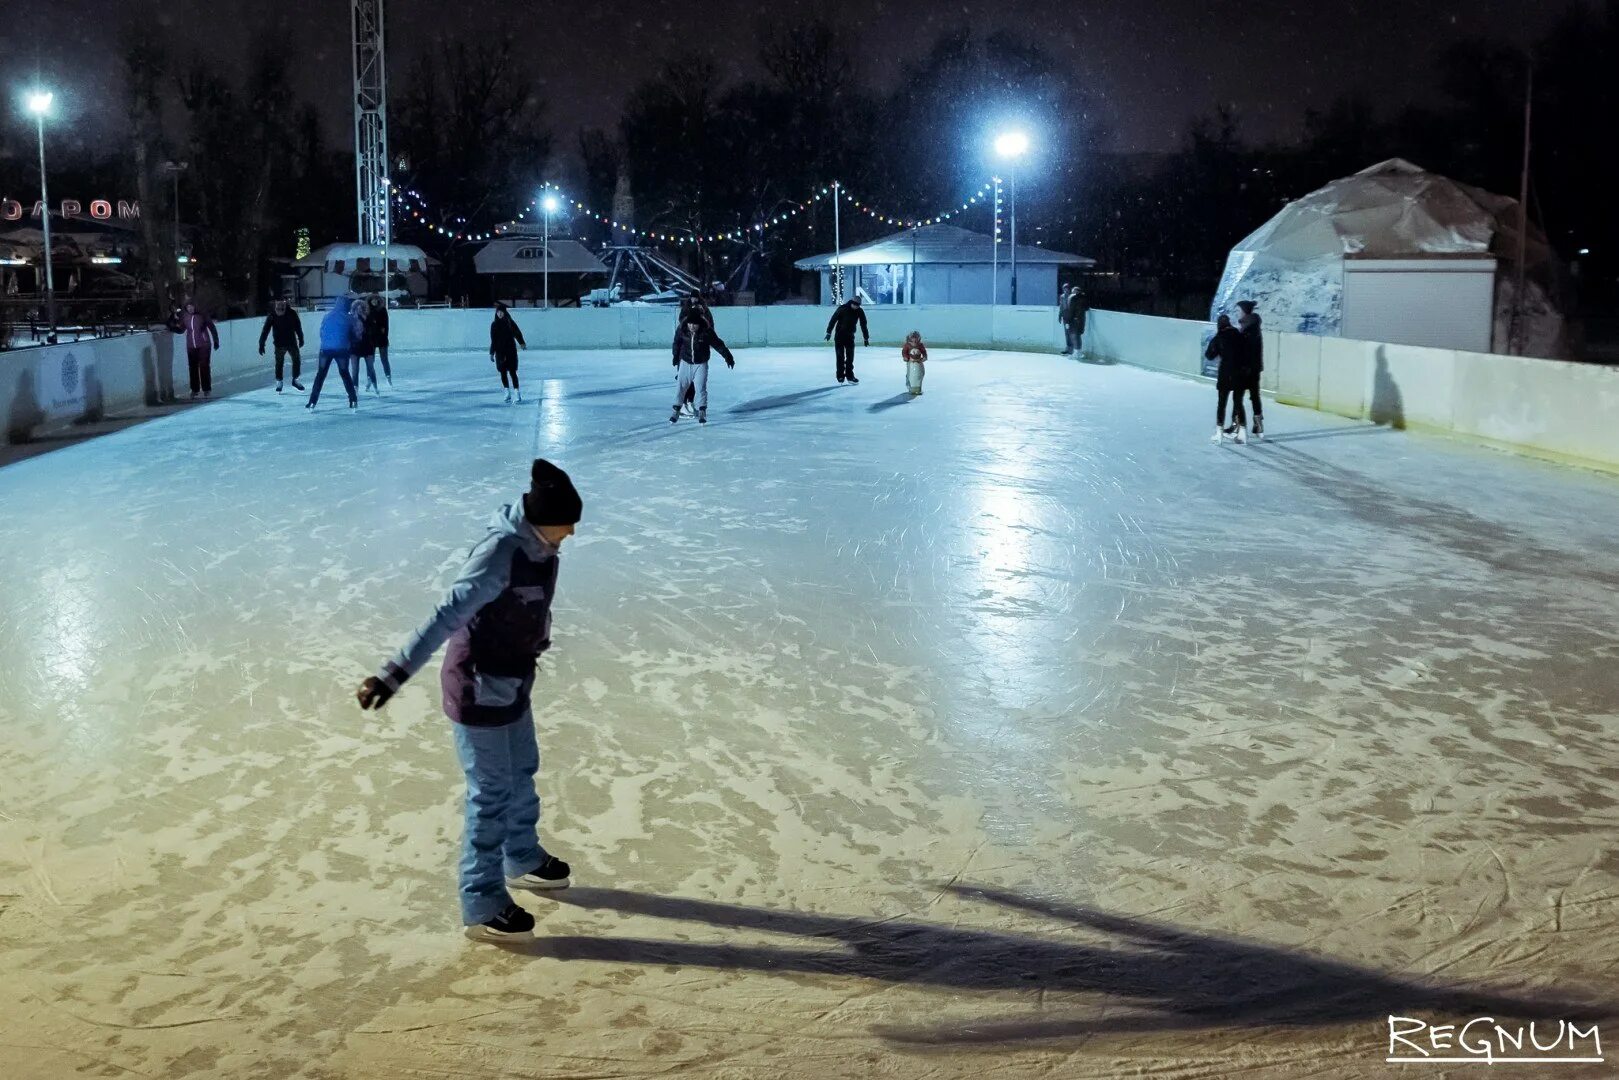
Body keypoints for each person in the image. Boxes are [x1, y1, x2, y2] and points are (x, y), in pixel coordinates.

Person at [356, 459, 582, 943]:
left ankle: (521, 855)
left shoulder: (542, 550)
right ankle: (481, 903)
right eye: (566, 528)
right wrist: (390, 676)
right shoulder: (499, 553)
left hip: (515, 682)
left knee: (523, 769)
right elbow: (444, 615)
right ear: (543, 522)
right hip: (477, 689)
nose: (571, 535)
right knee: (491, 793)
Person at [670, 308, 735, 425]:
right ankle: (676, 410)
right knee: (680, 385)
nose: (692, 326)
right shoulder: (682, 329)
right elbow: (676, 342)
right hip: (685, 362)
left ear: (699, 324)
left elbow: (718, 344)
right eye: (690, 323)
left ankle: (702, 411)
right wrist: (675, 356)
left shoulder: (706, 332)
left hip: (701, 364)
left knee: (700, 388)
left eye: (694, 324)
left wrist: (728, 356)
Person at [305, 296, 359, 411]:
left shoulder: (327, 316)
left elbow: (321, 332)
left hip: (326, 349)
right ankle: (353, 400)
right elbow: (355, 335)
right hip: (342, 349)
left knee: (320, 375)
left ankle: (312, 402)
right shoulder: (349, 318)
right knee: (345, 374)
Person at [1205, 314, 1248, 444]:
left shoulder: (1219, 338)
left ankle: (1219, 434)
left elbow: (1209, 355)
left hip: (1225, 374)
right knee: (1238, 403)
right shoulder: (1239, 336)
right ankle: (1243, 433)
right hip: (1240, 374)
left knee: (1222, 404)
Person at [169, 301, 220, 399]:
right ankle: (195, 389)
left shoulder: (202, 316)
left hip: (204, 345)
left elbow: (212, 327)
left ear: (195, 306)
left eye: (191, 306)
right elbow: (182, 330)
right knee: (193, 368)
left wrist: (216, 340)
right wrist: (173, 328)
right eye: (188, 307)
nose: (190, 309)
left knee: (204, 367)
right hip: (191, 346)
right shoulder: (185, 317)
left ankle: (206, 389)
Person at [258, 296, 306, 393]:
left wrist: (301, 338)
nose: (280, 308)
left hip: (291, 342)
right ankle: (279, 381)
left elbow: (298, 326)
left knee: (296, 359)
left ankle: (295, 379)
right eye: (279, 305)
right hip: (279, 344)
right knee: (279, 363)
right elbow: (265, 330)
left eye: (282, 305)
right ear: (276, 305)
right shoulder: (272, 315)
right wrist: (261, 343)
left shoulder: (292, 313)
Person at [1236, 300, 1264, 439]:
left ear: (1244, 311)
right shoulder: (1255, 327)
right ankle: (1258, 422)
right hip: (1255, 368)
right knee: (1254, 396)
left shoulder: (1246, 328)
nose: (1238, 312)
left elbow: (1243, 350)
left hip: (1245, 368)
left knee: (1238, 397)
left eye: (1239, 310)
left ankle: (1239, 426)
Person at [825, 295, 869, 384]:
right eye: (855, 304)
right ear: (851, 303)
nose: (856, 306)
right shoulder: (842, 309)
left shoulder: (859, 311)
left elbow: (863, 324)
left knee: (850, 357)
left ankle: (850, 376)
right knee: (840, 357)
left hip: (850, 337)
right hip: (839, 337)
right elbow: (833, 320)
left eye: (858, 305)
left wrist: (866, 338)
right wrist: (829, 332)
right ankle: (840, 376)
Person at [490, 302, 527, 403]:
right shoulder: (494, 325)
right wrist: (491, 352)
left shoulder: (510, 322)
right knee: (502, 372)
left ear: (505, 312)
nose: (500, 314)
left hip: (510, 350)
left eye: (501, 312)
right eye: (498, 312)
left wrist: (522, 343)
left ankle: (517, 392)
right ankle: (507, 392)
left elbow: (517, 332)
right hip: (500, 352)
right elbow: (493, 340)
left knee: (512, 372)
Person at [348, 298, 383, 395]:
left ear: (364, 308)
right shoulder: (351, 319)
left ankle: (376, 387)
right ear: (354, 309)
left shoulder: (369, 318)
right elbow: (348, 333)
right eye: (357, 308)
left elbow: (374, 331)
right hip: (355, 348)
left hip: (368, 347)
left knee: (371, 368)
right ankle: (355, 389)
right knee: (355, 370)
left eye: (361, 308)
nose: (359, 310)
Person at [366, 295, 393, 387]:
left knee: (384, 359)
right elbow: (366, 325)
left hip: (381, 338)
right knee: (370, 361)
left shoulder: (382, 310)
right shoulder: (368, 311)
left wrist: (384, 335)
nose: (374, 301)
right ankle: (369, 379)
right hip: (371, 339)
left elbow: (386, 325)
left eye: (376, 300)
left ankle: (388, 378)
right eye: (372, 300)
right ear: (370, 301)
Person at [1064, 285, 1089, 357]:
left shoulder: (1072, 298)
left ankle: (1076, 352)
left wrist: (1068, 321)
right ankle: (1079, 352)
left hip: (1074, 320)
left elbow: (1070, 310)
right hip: (1081, 319)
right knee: (1077, 336)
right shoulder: (1084, 297)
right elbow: (1086, 308)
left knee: (1074, 335)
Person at [902, 330, 928, 397]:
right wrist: (905, 357)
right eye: (913, 337)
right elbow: (904, 352)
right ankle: (911, 389)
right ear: (910, 338)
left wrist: (924, 357)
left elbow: (924, 352)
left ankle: (918, 389)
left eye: (916, 337)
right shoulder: (907, 345)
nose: (915, 339)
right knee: (911, 376)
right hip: (911, 363)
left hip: (919, 362)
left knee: (919, 375)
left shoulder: (920, 345)